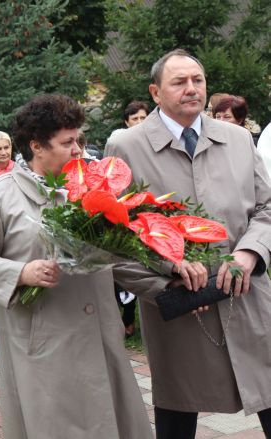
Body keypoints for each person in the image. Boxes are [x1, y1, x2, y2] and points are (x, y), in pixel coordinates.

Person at [0, 93, 152, 438]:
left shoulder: (94, 188)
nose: (78, 150)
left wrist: (171, 276)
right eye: (68, 142)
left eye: (79, 140)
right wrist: (21, 273)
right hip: (45, 343)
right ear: (37, 146)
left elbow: (119, 257)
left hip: (100, 336)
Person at [106, 48, 271, 439]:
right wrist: (167, 269)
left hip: (246, 296)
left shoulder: (237, 139)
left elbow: (266, 207)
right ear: (155, 92)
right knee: (178, 414)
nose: (191, 89)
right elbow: (112, 238)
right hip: (181, 305)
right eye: (179, 82)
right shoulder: (127, 147)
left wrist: (249, 253)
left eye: (197, 80)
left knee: (267, 388)